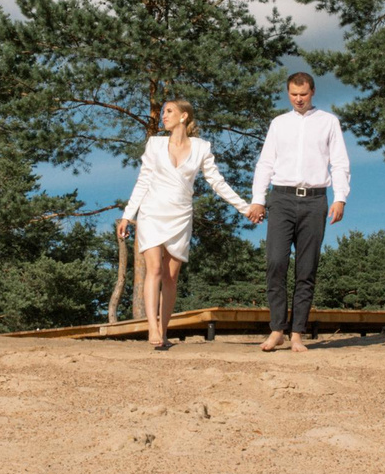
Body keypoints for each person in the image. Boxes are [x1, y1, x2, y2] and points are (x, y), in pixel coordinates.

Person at [115, 99, 249, 351]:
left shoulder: (201, 148)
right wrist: (127, 215)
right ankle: (152, 327)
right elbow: (143, 182)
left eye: (169, 111)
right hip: (152, 212)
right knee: (153, 269)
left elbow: (217, 183)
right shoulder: (154, 144)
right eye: (163, 112)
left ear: (184, 116)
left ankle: (163, 330)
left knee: (171, 276)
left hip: (180, 216)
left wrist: (244, 207)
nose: (163, 116)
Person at [246, 71, 350, 353]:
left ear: (312, 92)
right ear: (288, 93)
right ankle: (277, 329)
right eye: (293, 94)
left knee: (306, 269)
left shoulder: (329, 122)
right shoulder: (278, 124)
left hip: (315, 200)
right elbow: (265, 163)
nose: (299, 99)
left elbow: (339, 162)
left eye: (303, 94)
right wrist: (258, 199)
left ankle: (297, 334)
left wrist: (340, 197)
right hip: (281, 198)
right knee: (276, 262)